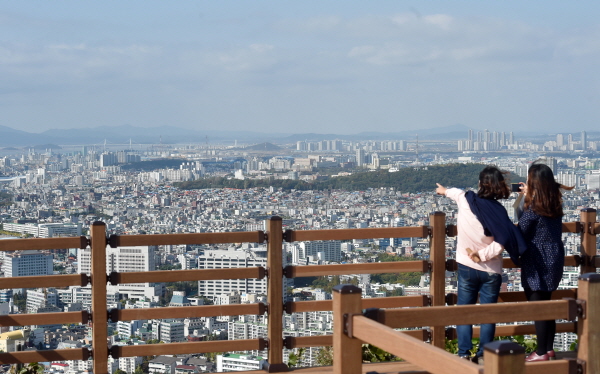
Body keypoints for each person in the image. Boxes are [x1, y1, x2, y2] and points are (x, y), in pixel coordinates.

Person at [436, 166, 527, 362]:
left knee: (464, 311)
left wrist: (442, 190)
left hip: (467, 267)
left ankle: (463, 354)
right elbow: (502, 241)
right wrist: (484, 255)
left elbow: (453, 192)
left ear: (480, 184)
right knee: (488, 314)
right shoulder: (498, 211)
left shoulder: (466, 199)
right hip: (491, 271)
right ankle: (484, 354)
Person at [518, 163, 574, 362]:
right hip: (554, 255)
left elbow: (520, 230)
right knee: (547, 303)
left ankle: (541, 352)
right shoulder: (554, 203)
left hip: (536, 258)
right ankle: (548, 348)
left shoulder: (533, 207)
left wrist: (524, 198)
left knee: (538, 306)